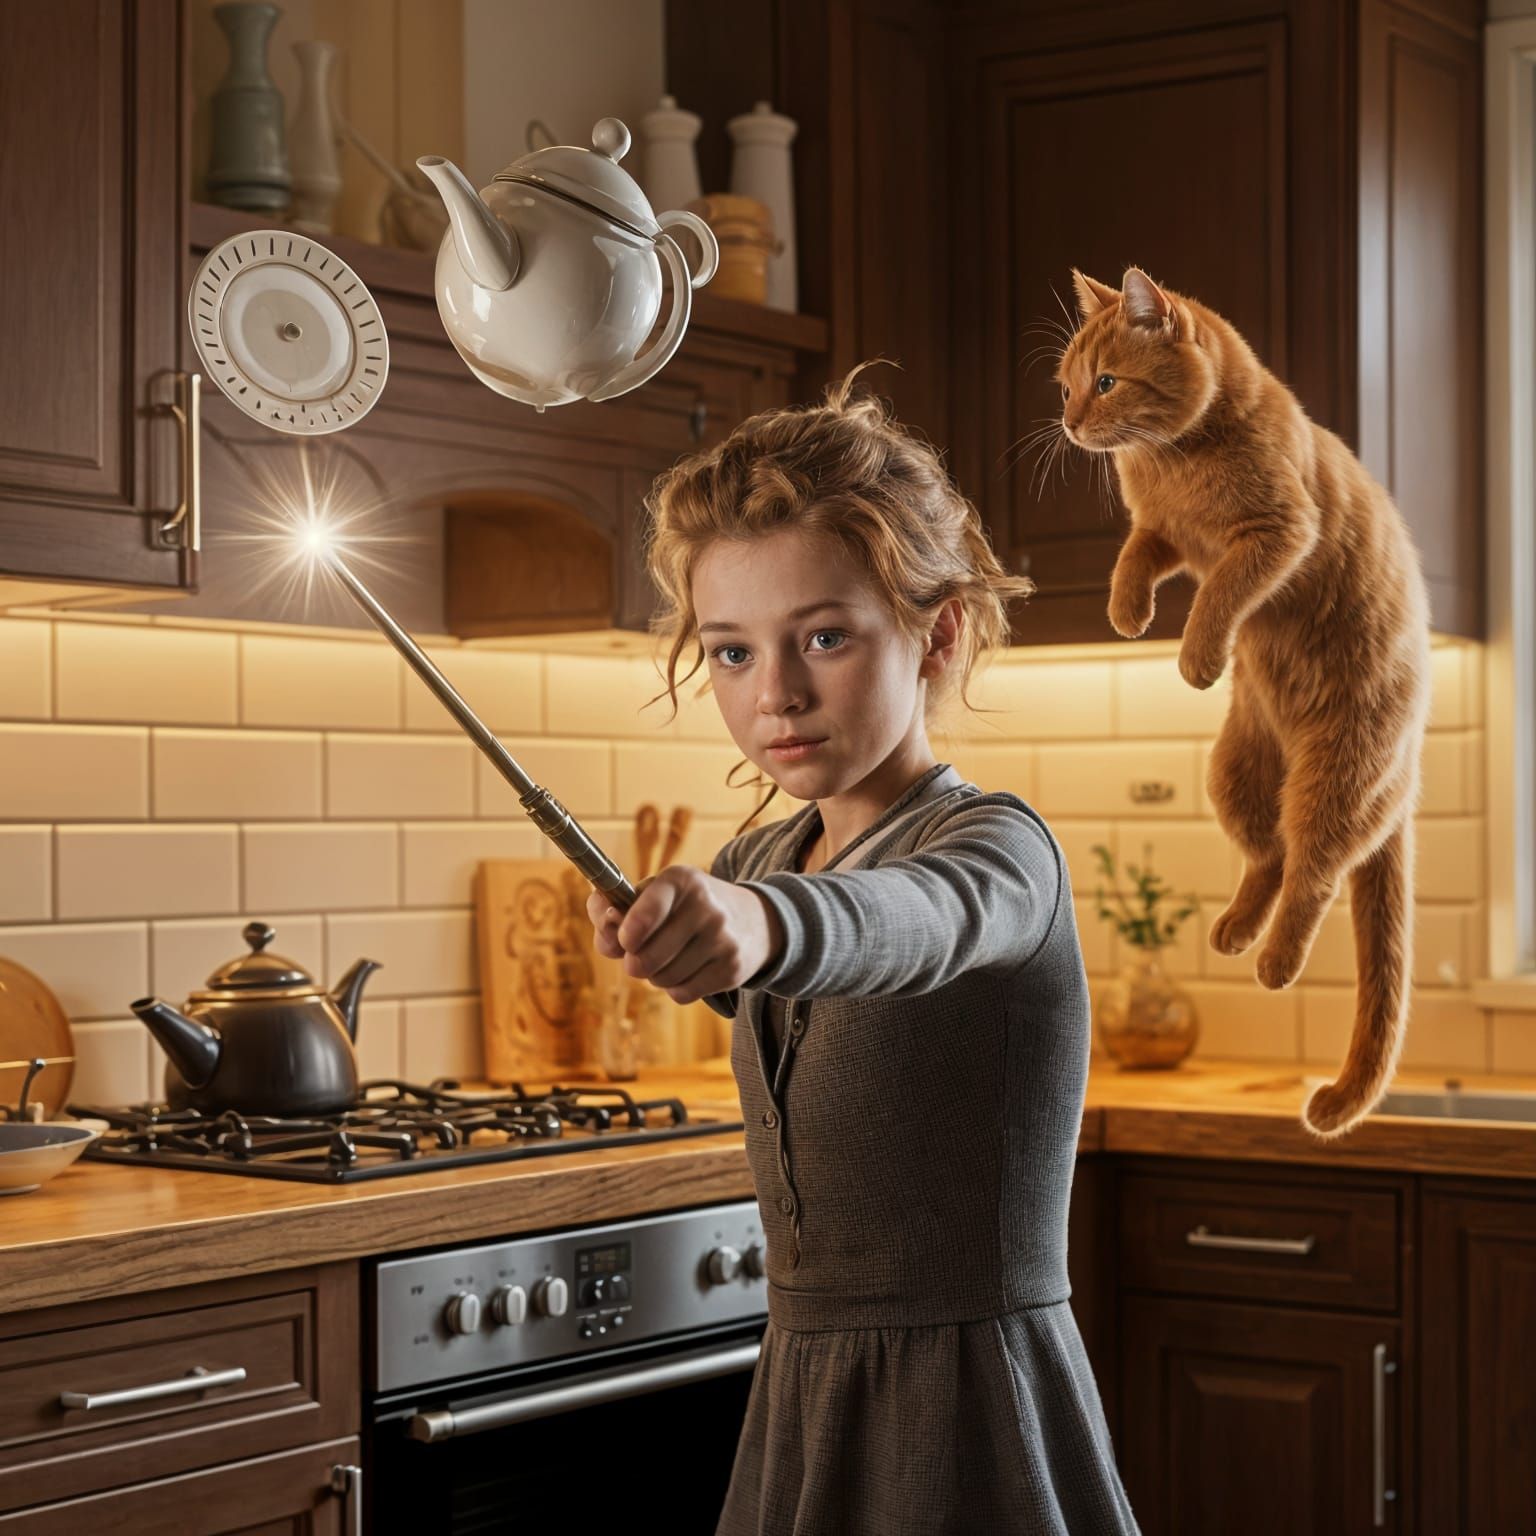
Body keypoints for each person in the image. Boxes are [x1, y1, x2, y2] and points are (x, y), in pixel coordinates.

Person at [585, 367, 1141, 1535]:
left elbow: (912, 921)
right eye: (731, 652)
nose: (775, 694)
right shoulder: (762, 855)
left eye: (823, 636)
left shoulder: (1000, 850)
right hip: (801, 1401)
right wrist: (663, 923)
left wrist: (760, 928)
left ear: (936, 635)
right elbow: (753, 935)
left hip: (973, 1414)